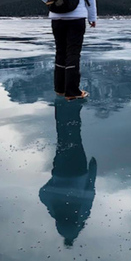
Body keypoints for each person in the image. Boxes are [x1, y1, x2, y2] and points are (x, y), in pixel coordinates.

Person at [39, 99, 97, 246]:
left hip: (79, 171)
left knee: (75, 137)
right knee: (63, 139)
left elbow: (90, 190)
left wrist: (93, 168)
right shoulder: (54, 210)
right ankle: (61, 109)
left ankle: (72, 109)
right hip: (60, 171)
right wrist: (54, 181)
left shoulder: (81, 212)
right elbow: (43, 193)